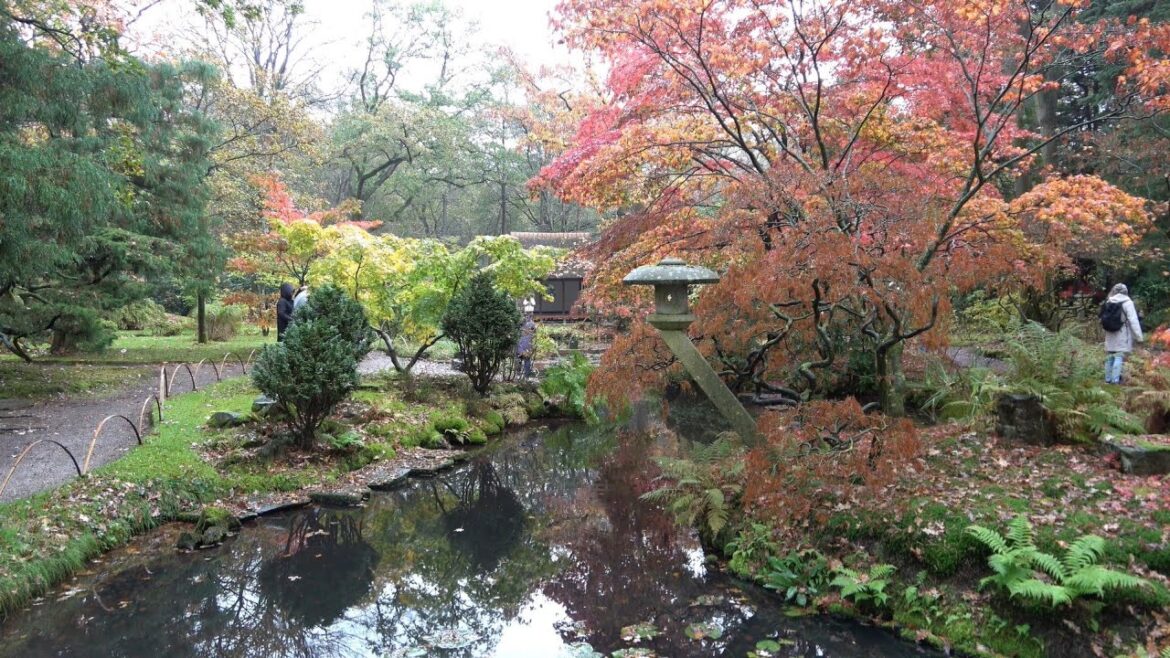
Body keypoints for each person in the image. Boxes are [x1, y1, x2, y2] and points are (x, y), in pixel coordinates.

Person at [1102, 283, 1143, 384]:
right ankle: (1115, 380)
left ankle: (1107, 379)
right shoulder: (1128, 302)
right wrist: (1139, 337)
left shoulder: (1109, 301)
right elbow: (1133, 320)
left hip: (1109, 332)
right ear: (1126, 291)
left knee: (1110, 355)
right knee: (1118, 356)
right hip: (1122, 332)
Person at [516, 311, 537, 379]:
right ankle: (526, 376)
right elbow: (534, 333)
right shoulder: (532, 323)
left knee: (520, 359)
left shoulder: (521, 322)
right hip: (526, 343)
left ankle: (519, 375)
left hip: (522, 343)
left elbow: (533, 333)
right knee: (526, 360)